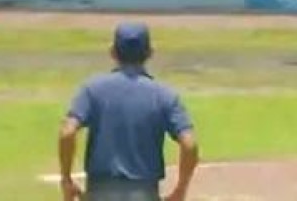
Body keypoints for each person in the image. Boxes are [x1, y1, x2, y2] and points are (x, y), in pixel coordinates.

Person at [58, 23, 199, 201]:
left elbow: (67, 133)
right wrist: (180, 189)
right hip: (144, 193)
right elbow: (190, 144)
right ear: (150, 53)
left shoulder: (92, 89)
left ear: (113, 52)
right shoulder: (164, 95)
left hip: (99, 191)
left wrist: (66, 179)